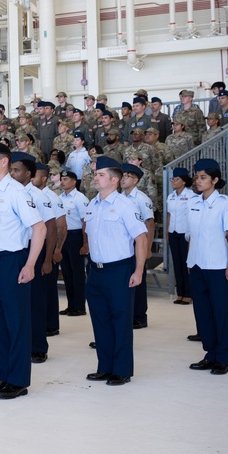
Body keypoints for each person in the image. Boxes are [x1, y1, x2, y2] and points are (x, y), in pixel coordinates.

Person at [0, 143, 46, 400]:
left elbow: (39, 229)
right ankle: (4, 374)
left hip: (12, 261)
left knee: (16, 323)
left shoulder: (17, 192)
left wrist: (29, 265)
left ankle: (17, 380)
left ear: (4, 162)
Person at [83, 157, 148, 386]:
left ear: (114, 180)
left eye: (100, 174)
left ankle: (121, 370)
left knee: (120, 321)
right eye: (96, 174)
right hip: (96, 270)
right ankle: (105, 366)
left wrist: (139, 271)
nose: (96, 178)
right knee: (100, 321)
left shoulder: (125, 205)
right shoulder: (92, 205)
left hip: (119, 270)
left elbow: (141, 239)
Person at [185, 159, 228, 376]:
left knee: (221, 312)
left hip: (217, 266)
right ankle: (210, 354)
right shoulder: (193, 203)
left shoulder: (224, 203)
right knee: (203, 312)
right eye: (197, 177)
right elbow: (191, 236)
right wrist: (190, 260)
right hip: (196, 265)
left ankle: (223, 357)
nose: (198, 181)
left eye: (203, 177)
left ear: (215, 180)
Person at [10, 153, 56, 365]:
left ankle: (38, 347)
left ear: (28, 174)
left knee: (35, 301)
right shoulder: (11, 192)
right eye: (11, 169)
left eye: (17, 170)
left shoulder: (38, 196)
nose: (13, 173)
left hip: (34, 251)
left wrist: (47, 259)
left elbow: (51, 228)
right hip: (16, 251)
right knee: (18, 302)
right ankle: (21, 344)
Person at [33, 162, 66, 340]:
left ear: (44, 178)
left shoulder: (51, 197)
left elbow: (60, 226)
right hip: (35, 243)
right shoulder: (28, 194)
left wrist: (57, 249)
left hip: (48, 244)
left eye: (35, 175)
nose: (32, 178)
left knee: (48, 288)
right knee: (39, 287)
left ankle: (51, 324)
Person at [120, 164, 155, 330]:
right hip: (123, 242)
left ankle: (140, 316)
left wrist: (147, 249)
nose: (123, 179)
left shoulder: (141, 199)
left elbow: (150, 224)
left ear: (135, 180)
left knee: (138, 279)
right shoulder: (119, 196)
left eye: (127, 176)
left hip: (138, 241)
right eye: (122, 175)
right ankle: (129, 314)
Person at [57, 169, 89, 317]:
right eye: (62, 179)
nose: (62, 182)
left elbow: (85, 222)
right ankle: (71, 305)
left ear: (74, 182)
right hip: (64, 237)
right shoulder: (60, 198)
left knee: (77, 273)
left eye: (66, 179)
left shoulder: (80, 198)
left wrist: (85, 243)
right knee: (67, 273)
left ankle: (79, 306)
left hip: (76, 236)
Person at [166, 167, 196, 305]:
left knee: (186, 264)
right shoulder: (170, 196)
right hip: (174, 232)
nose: (173, 181)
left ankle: (188, 293)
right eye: (172, 179)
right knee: (176, 264)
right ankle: (180, 293)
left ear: (183, 181)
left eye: (176, 179)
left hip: (186, 233)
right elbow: (169, 215)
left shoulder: (191, 196)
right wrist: (167, 232)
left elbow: (193, 216)